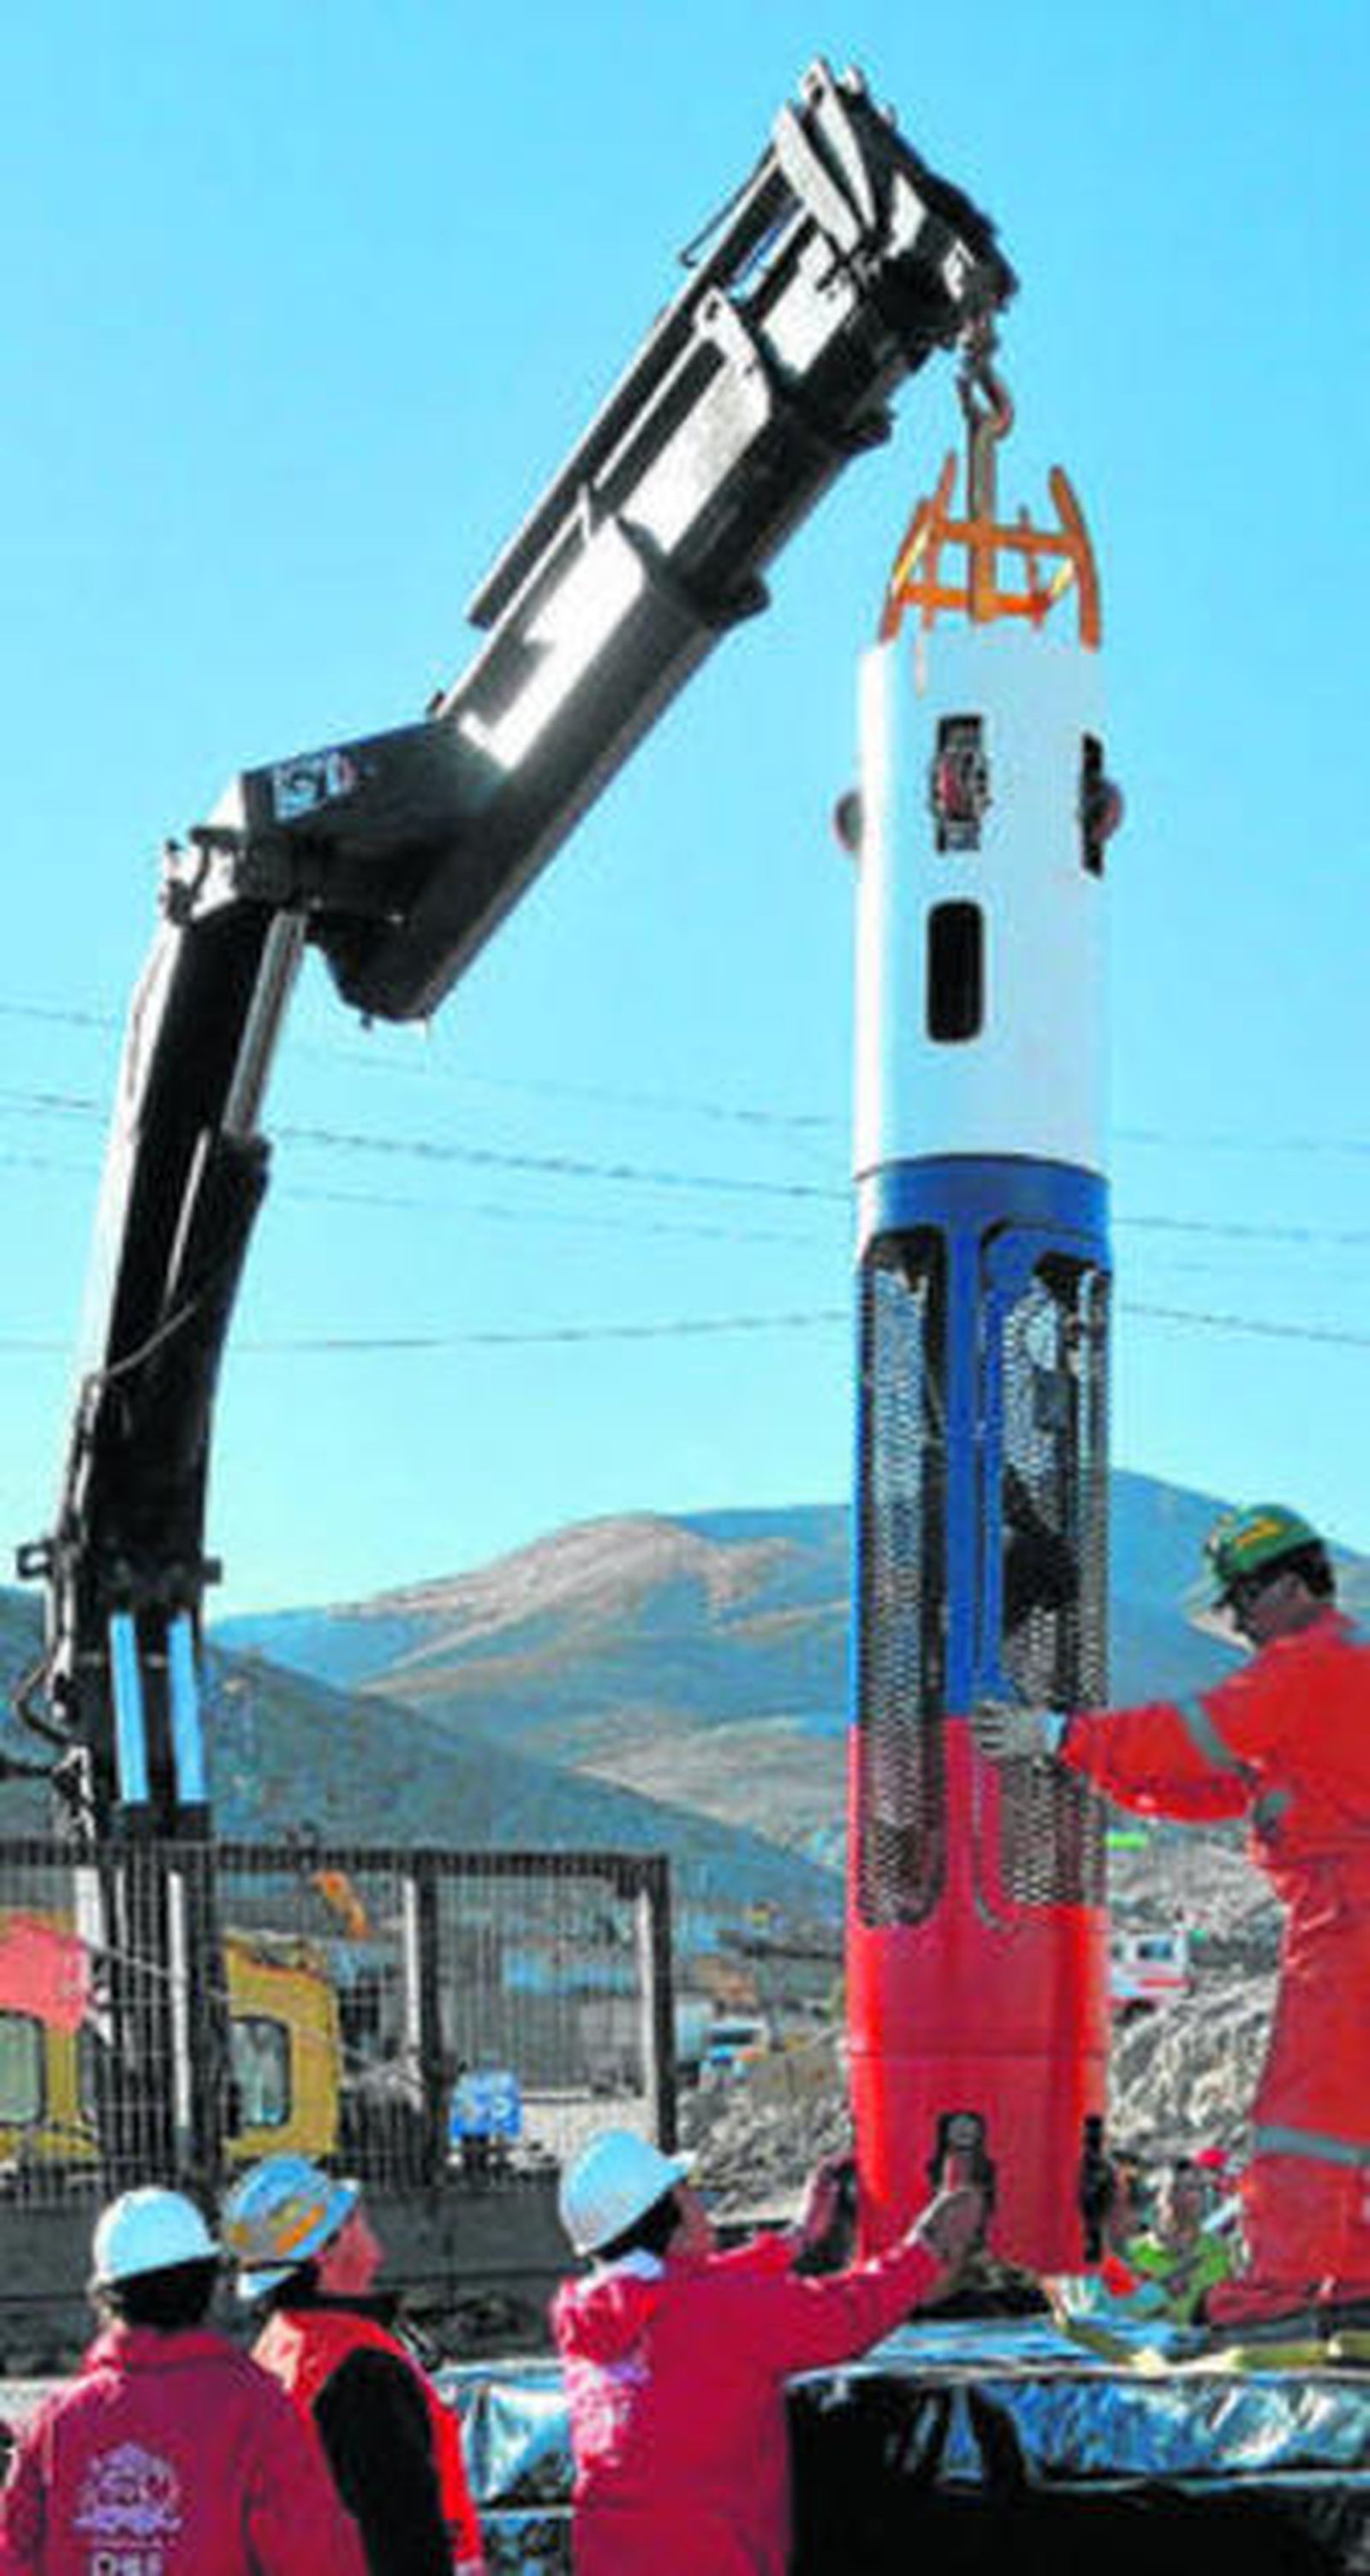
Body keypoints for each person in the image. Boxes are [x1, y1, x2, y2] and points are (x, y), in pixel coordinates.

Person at [974, 1500, 1370, 2327]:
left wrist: (1061, 1735)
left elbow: (1198, 1734)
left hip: (1351, 1918)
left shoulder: (1310, 1667)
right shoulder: (1327, 1679)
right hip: (1342, 1912)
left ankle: (1287, 2290)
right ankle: (1348, 2275)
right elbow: (1220, 1782)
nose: (1237, 1626)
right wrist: (1097, 1766)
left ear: (1292, 1585)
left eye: (1242, 1604)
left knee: (1308, 2115)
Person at [551, 2127, 982, 2576]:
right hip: (711, 2558)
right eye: (688, 2192)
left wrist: (795, 2240)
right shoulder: (716, 2310)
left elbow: (689, 2291)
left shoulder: (590, 2314)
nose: (703, 2205)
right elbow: (846, 2316)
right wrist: (928, 2247)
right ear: (669, 2220)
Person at [0, 2185, 366, 2576]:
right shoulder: (255, 2407)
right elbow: (316, 2557)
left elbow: (13, 2554)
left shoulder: (58, 2421)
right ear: (207, 2284)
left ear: (106, 2296)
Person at [221, 2153, 485, 2576]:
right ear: (325, 2251)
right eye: (353, 2217)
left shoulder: (278, 2349)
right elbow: (403, 2536)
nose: (367, 2221)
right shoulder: (361, 2370)